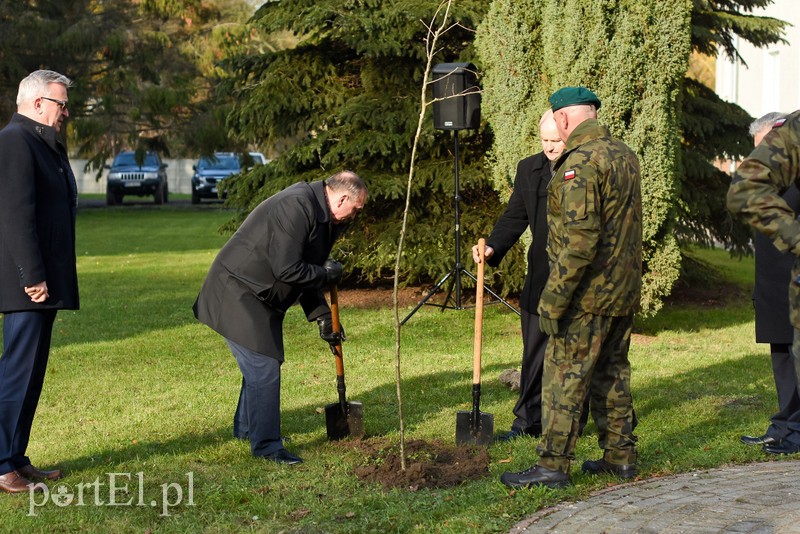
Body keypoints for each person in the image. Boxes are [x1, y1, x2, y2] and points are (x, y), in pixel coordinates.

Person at [500, 86, 642, 489]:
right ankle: (620, 457)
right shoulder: (624, 155)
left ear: (562, 119)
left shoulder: (578, 164)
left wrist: (554, 299)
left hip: (587, 295)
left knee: (564, 377)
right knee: (612, 372)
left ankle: (552, 466)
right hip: (623, 290)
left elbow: (580, 241)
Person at [193, 171, 367, 465]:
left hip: (260, 296)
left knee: (262, 364)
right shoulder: (296, 207)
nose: (356, 215)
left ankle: (249, 430)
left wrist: (322, 315)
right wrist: (326, 275)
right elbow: (287, 269)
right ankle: (267, 447)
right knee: (263, 366)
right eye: (356, 208)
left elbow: (304, 270)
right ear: (341, 198)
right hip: (237, 291)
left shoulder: (324, 215)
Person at [0, 70, 79, 493]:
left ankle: (15, 456)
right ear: (36, 104)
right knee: (16, 373)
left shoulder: (42, 142)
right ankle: (1, 465)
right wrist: (32, 276)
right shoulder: (15, 141)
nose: (66, 112)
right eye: (60, 103)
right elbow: (15, 214)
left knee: (31, 374)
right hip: (26, 284)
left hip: (42, 282)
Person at [472, 110, 565, 441]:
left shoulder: (583, 169)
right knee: (533, 354)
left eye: (557, 140)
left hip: (575, 279)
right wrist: (492, 248)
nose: (550, 147)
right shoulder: (529, 168)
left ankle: (575, 423)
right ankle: (528, 421)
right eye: (545, 140)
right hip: (540, 277)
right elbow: (515, 216)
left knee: (574, 357)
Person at [728, 110, 800, 454]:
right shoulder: (761, 181)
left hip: (794, 274)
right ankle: (784, 424)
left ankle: (795, 429)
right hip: (770, 279)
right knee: (781, 354)